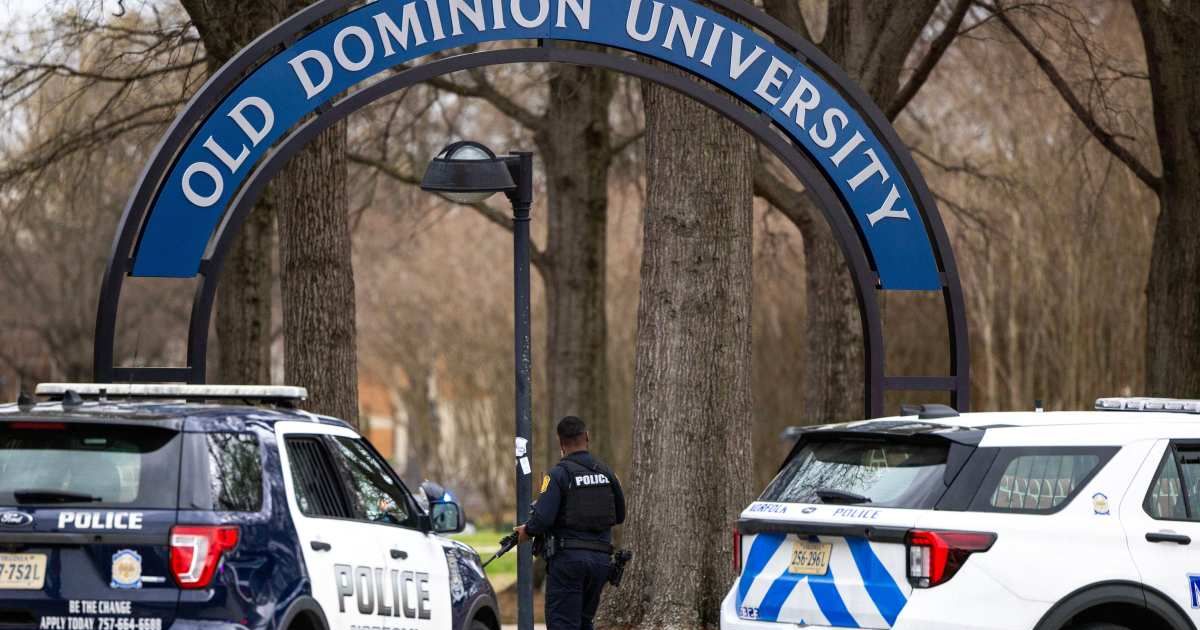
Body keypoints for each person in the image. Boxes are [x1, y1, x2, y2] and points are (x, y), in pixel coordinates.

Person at [515, 416, 625, 630]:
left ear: (560, 443)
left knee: (563, 624)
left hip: (568, 563)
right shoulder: (607, 473)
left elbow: (542, 519)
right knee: (585, 623)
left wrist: (526, 531)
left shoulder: (557, 475)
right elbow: (619, 515)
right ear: (587, 437)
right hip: (600, 563)